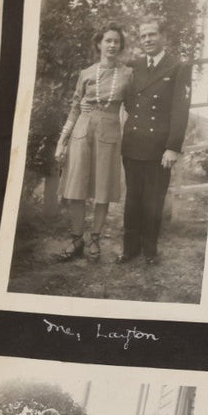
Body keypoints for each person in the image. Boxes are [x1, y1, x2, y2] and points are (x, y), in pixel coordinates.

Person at [53, 23, 132, 262]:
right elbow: (76, 107)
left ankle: (95, 238)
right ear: (99, 44)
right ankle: (76, 238)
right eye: (107, 40)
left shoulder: (128, 74)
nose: (112, 45)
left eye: (116, 41)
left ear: (120, 46)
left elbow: (134, 106)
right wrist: (62, 140)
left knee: (102, 190)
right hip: (82, 131)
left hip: (108, 133)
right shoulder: (86, 73)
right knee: (76, 187)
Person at [118, 16, 191, 265]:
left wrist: (173, 146)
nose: (147, 39)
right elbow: (129, 100)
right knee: (133, 198)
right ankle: (129, 249)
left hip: (160, 149)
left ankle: (149, 250)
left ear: (163, 37)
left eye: (152, 34)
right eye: (143, 36)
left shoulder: (178, 66)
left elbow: (181, 109)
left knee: (153, 200)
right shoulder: (135, 66)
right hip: (133, 144)